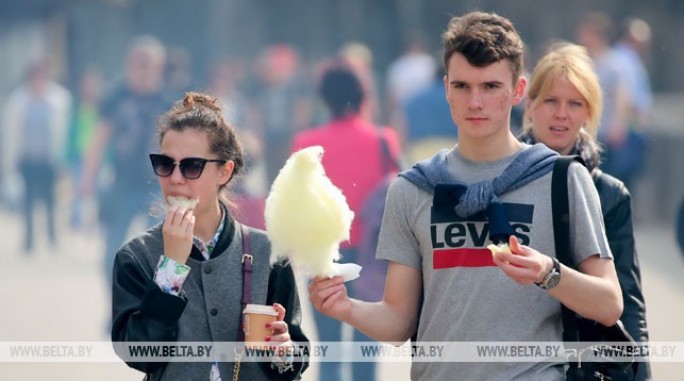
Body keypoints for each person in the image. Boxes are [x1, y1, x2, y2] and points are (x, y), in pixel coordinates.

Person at [309, 11, 623, 380]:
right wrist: (347, 308)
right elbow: (398, 322)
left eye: (490, 87)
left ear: (518, 91)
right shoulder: (413, 188)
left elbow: (609, 304)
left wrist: (548, 272)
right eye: (462, 86)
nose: (475, 102)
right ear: (446, 88)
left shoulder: (562, 178)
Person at [111, 92, 309, 381]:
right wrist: (171, 271)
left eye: (192, 166)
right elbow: (139, 355)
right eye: (165, 164)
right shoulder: (136, 256)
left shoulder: (268, 252)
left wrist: (284, 352)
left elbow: (294, 360)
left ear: (224, 171)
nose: (175, 179)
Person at [519, 42, 651, 380]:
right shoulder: (502, 182)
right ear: (529, 104)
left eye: (574, 103)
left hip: (582, 361)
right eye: (550, 100)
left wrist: (640, 373)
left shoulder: (609, 194)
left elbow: (628, 300)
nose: (561, 114)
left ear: (589, 113)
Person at [291, 61, 401, 381]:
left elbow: (297, 203)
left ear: (324, 98)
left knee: (329, 352)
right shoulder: (384, 140)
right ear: (364, 95)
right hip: (371, 257)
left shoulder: (305, 144)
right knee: (366, 353)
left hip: (322, 257)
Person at [81, 35, 170, 295]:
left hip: (159, 185)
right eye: (137, 63)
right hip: (121, 183)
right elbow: (98, 140)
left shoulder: (169, 100)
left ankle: (161, 306)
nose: (142, 70)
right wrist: (87, 180)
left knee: (166, 251)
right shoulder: (115, 97)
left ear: (159, 67)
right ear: (128, 65)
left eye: (148, 64)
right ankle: (118, 305)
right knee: (112, 251)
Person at [2, 57, 72, 253]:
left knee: (52, 200)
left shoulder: (59, 99)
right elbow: (11, 134)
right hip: (28, 158)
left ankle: (52, 237)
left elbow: (64, 132)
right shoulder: (18, 101)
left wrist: (64, 159)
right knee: (28, 200)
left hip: (50, 159)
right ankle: (29, 241)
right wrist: (10, 162)